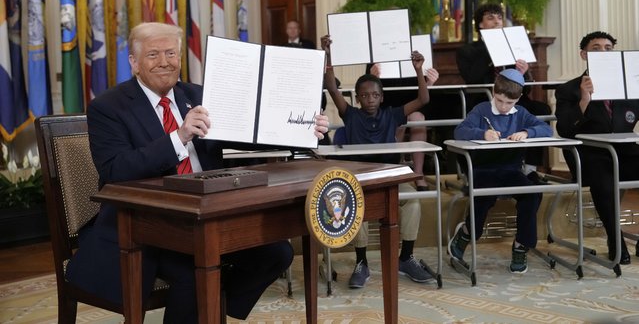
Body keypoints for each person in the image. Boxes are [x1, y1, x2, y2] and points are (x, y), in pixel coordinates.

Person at [65, 22, 329, 323]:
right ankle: (207, 304)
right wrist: (179, 137)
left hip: (210, 219)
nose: (164, 62)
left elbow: (248, 132)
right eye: (153, 55)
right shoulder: (108, 107)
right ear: (134, 63)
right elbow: (115, 170)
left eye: (171, 53)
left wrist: (304, 128)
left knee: (277, 253)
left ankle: (215, 306)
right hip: (147, 227)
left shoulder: (200, 95)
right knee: (195, 273)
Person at [321, 34, 440, 288]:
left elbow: (424, 100)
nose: (370, 100)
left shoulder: (393, 114)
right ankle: (361, 262)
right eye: (365, 96)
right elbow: (331, 87)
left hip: (389, 177)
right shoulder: (350, 115)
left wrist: (418, 70)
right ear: (357, 98)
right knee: (355, 205)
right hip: (359, 179)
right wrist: (328, 56)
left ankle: (406, 257)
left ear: (382, 97)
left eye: (375, 95)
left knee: (413, 202)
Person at [450, 69, 552, 274]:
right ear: (493, 92)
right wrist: (482, 133)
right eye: (500, 101)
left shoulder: (521, 113)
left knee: (531, 194)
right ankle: (466, 233)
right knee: (482, 200)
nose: (504, 107)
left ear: (519, 98)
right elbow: (459, 131)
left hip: (510, 171)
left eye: (510, 103)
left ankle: (521, 245)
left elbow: (546, 129)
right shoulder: (481, 110)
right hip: (482, 171)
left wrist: (526, 132)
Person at [555, 31, 639, 265]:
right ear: (584, 55)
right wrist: (584, 100)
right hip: (588, 153)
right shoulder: (568, 89)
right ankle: (616, 241)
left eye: (608, 48)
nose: (603, 52)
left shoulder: (629, 84)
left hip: (625, 151)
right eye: (596, 48)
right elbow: (564, 129)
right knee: (604, 183)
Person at [456, 3, 551, 167]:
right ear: (480, 24)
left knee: (542, 110)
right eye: (490, 18)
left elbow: (526, 89)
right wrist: (492, 53)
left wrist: (523, 73)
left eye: (499, 18)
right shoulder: (468, 50)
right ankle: (479, 171)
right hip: (483, 99)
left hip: (513, 100)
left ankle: (530, 168)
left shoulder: (512, 47)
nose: (497, 22)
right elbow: (471, 77)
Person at [368, 63, 430, 191]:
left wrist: (429, 82)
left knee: (418, 119)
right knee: (397, 121)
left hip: (412, 101)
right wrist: (372, 78)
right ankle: (392, 169)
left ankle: (418, 173)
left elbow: (423, 97)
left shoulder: (416, 53)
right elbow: (367, 86)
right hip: (386, 103)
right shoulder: (376, 53)